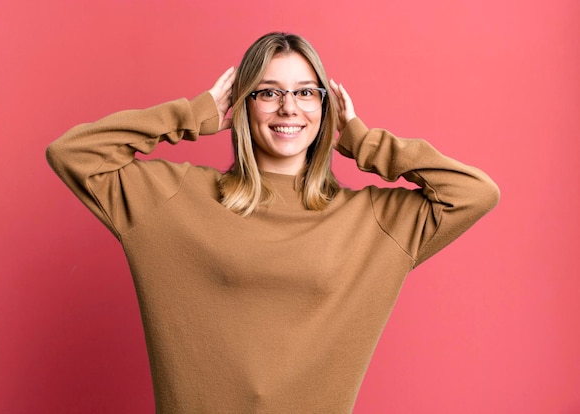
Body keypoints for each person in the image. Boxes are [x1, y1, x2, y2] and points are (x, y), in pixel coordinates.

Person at [46, 32, 499, 413]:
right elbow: (73, 154)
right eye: (268, 92)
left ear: (326, 109)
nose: (289, 107)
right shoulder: (174, 200)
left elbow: (474, 193)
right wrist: (193, 113)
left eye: (305, 92)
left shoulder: (372, 221)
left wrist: (361, 138)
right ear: (243, 105)